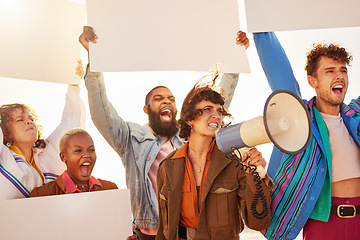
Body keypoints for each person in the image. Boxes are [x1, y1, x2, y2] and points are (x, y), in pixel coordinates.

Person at [78, 26, 249, 239]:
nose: (166, 100)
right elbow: (102, 112)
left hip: (185, 232)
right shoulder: (130, 138)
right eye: (158, 99)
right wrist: (93, 57)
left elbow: (216, 103)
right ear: (146, 109)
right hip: (150, 232)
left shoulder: (188, 135)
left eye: (171, 99)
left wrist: (234, 60)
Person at [242, 31, 360, 240]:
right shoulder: (300, 120)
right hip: (324, 225)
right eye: (330, 71)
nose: (339, 76)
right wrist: (260, 32)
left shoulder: (356, 116)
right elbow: (280, 75)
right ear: (312, 81)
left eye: (343, 70)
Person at [156, 70, 273, 240]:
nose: (216, 115)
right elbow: (163, 228)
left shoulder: (236, 163)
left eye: (219, 111)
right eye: (207, 109)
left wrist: (256, 175)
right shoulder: (167, 166)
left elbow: (258, 223)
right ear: (189, 119)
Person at [0, 62, 86, 200]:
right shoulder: (4, 158)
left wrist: (74, 83)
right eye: (20, 120)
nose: (28, 121)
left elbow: (70, 123)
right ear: (5, 132)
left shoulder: (47, 153)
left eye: (30, 118)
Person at [30, 128, 117, 196]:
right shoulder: (43, 194)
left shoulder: (111, 189)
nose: (87, 155)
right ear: (63, 157)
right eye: (78, 150)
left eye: (91, 149)